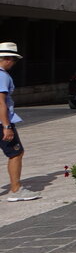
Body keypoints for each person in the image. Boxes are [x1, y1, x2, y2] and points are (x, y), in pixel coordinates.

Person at [0, 42, 36, 201]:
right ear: (6, 58)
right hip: (2, 122)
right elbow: (1, 102)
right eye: (13, 60)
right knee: (16, 153)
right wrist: (6, 126)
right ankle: (16, 190)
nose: (14, 63)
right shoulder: (2, 76)